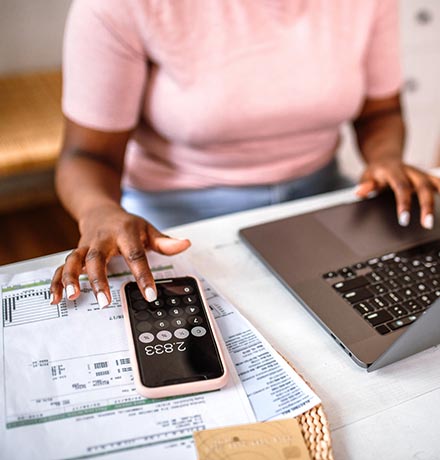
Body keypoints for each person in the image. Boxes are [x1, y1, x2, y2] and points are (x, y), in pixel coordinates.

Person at [50, 0, 440, 309]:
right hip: (173, 223)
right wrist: (99, 210)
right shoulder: (118, 6)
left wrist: (385, 158)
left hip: (317, 199)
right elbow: (87, 155)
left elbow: (381, 112)